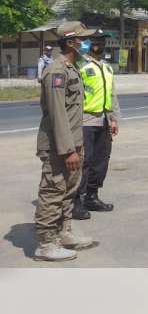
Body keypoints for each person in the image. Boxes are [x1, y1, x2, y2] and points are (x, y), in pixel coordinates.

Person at [33, 21, 97, 261]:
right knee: (53, 190)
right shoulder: (56, 71)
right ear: (71, 42)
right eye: (83, 39)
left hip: (73, 141)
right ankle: (47, 243)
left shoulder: (72, 68)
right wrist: (68, 150)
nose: (86, 43)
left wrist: (77, 146)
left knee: (68, 190)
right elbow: (58, 114)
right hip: (58, 146)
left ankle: (64, 232)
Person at [74, 29, 120, 220]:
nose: (99, 44)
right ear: (88, 43)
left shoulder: (107, 67)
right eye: (95, 41)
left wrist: (114, 118)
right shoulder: (80, 65)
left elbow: (112, 94)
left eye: (102, 41)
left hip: (103, 120)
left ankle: (92, 196)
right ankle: (76, 201)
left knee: (101, 160)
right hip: (85, 120)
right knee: (84, 161)